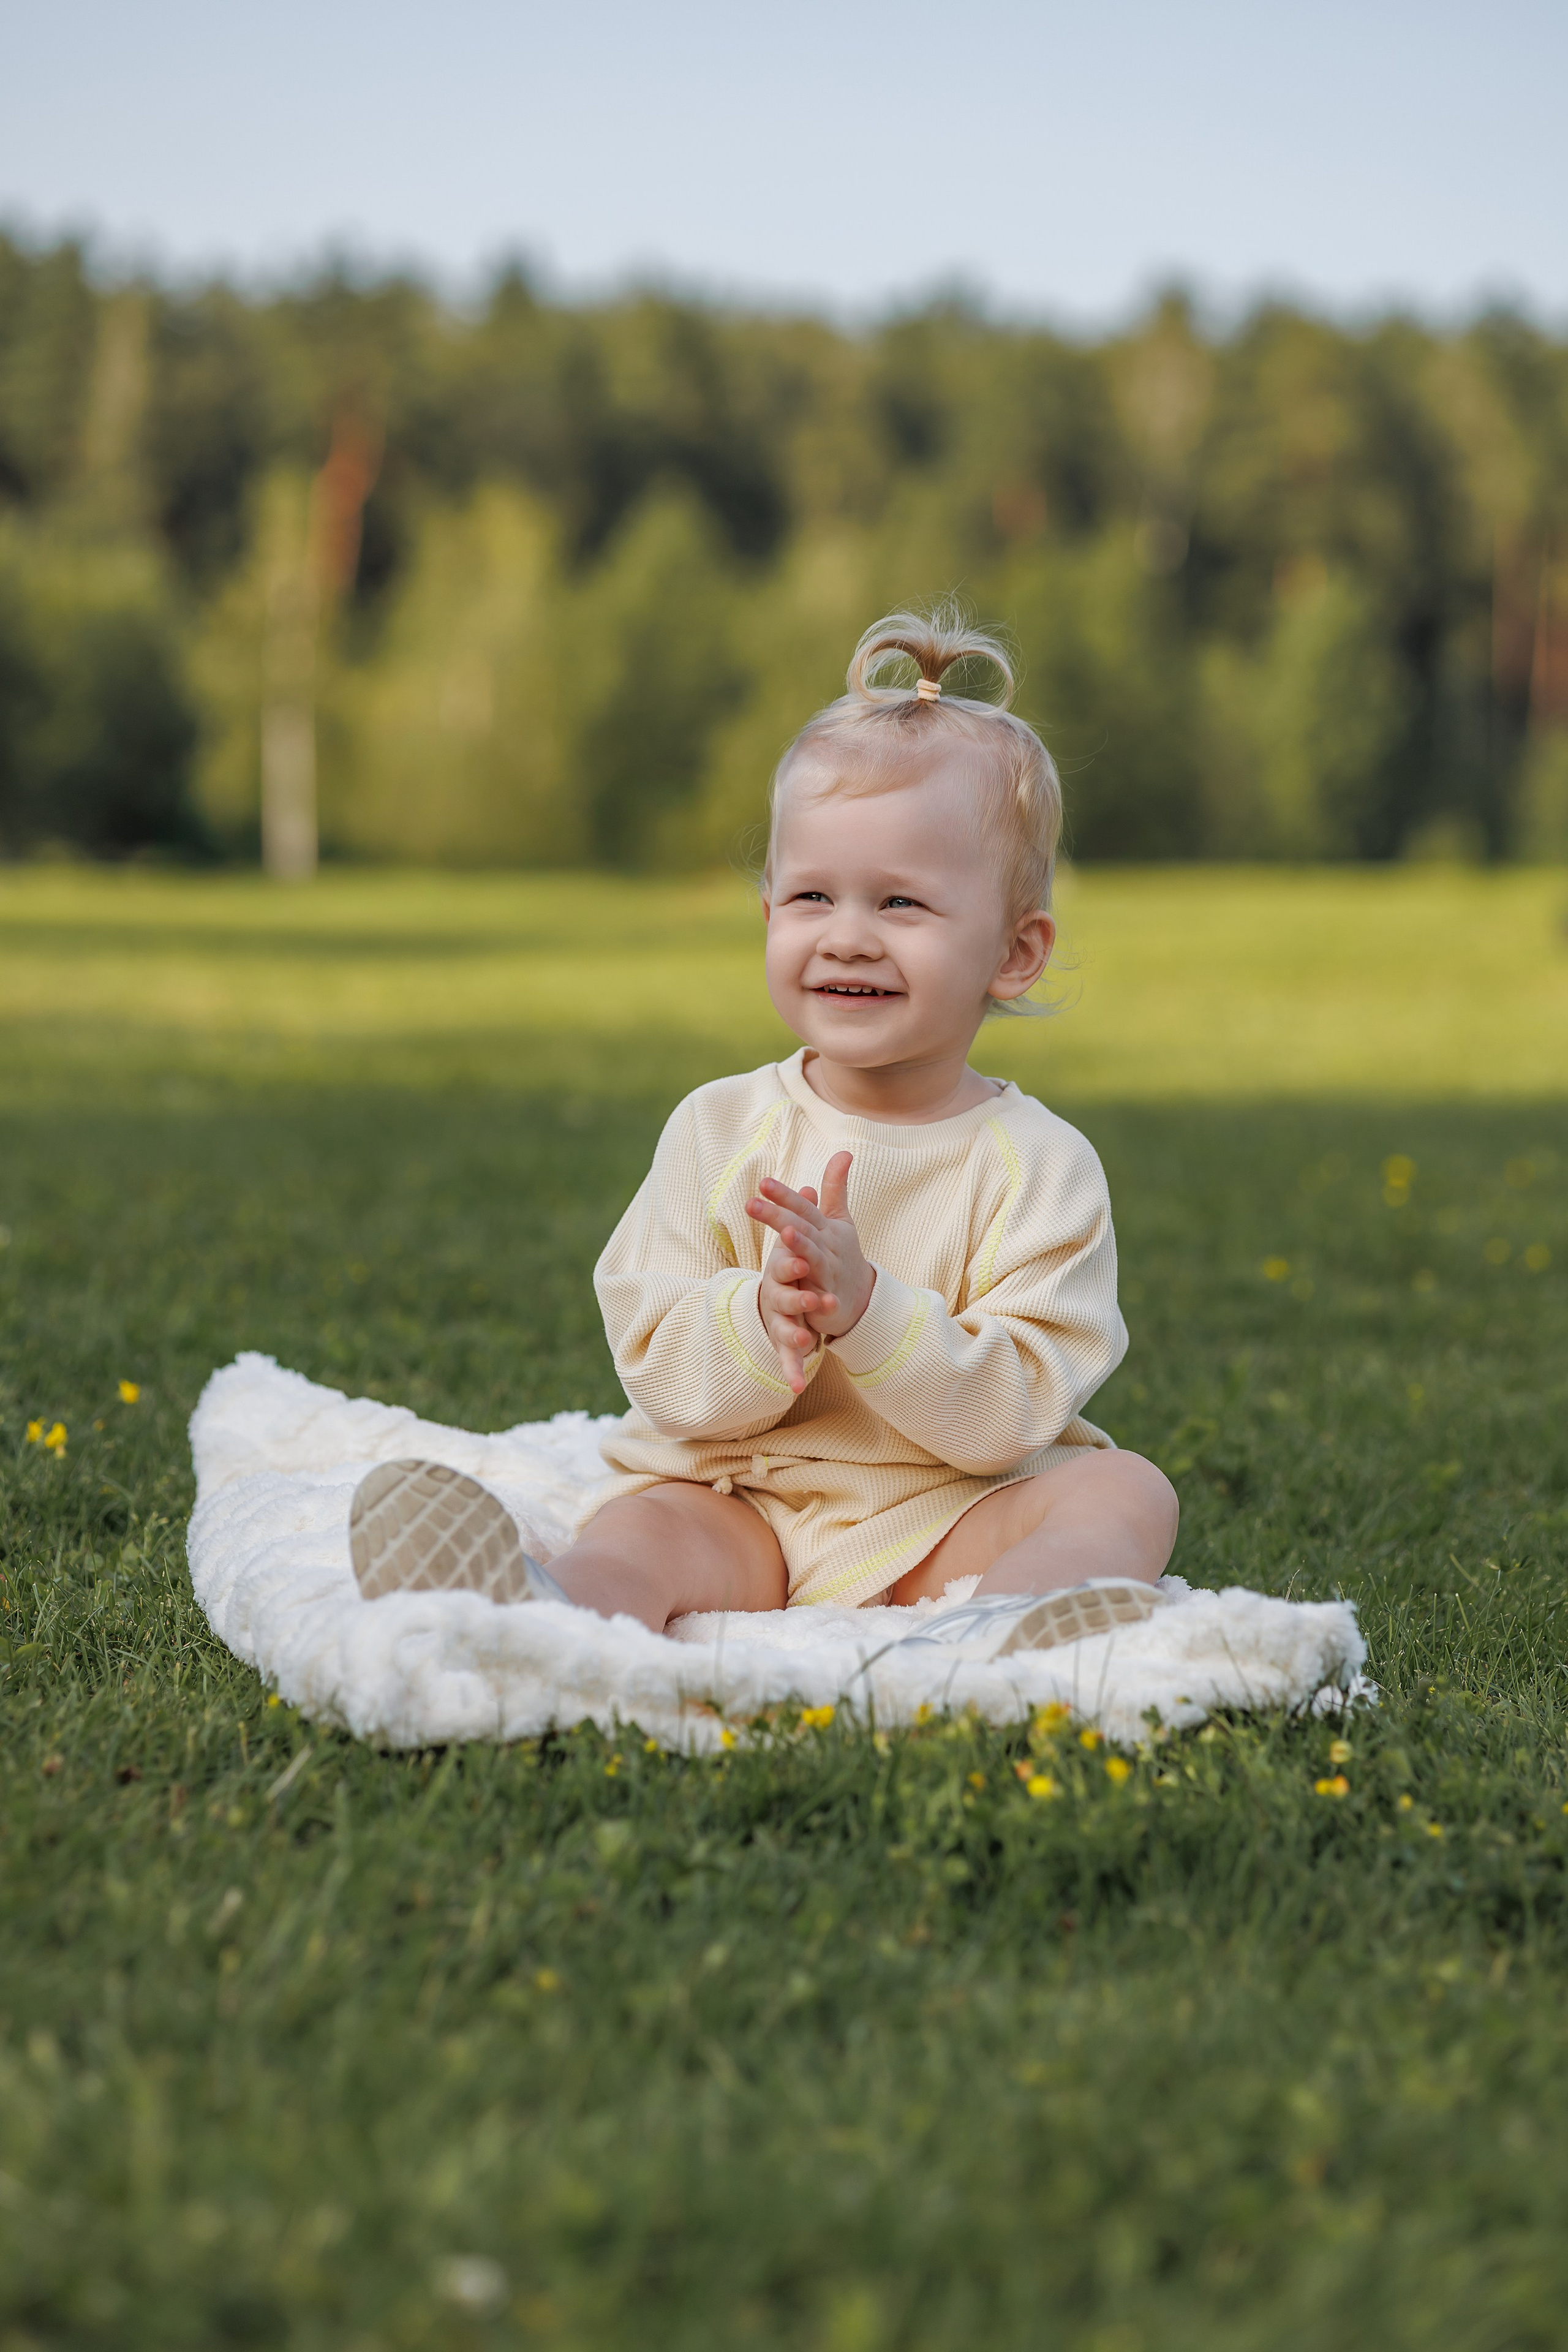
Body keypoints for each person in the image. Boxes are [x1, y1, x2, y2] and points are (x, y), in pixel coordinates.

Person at [349, 607, 1178, 1660]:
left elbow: (1015, 1411)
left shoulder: (1041, 1168)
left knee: (1126, 1491)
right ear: (771, 915)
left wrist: (870, 1313)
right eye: (812, 895)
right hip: (743, 1497)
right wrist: (760, 1316)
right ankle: (537, 1619)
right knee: (644, 1533)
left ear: (1014, 954)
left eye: (903, 903)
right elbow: (652, 1353)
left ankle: (992, 1640)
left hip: (942, 1514)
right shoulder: (723, 1127)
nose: (848, 935)